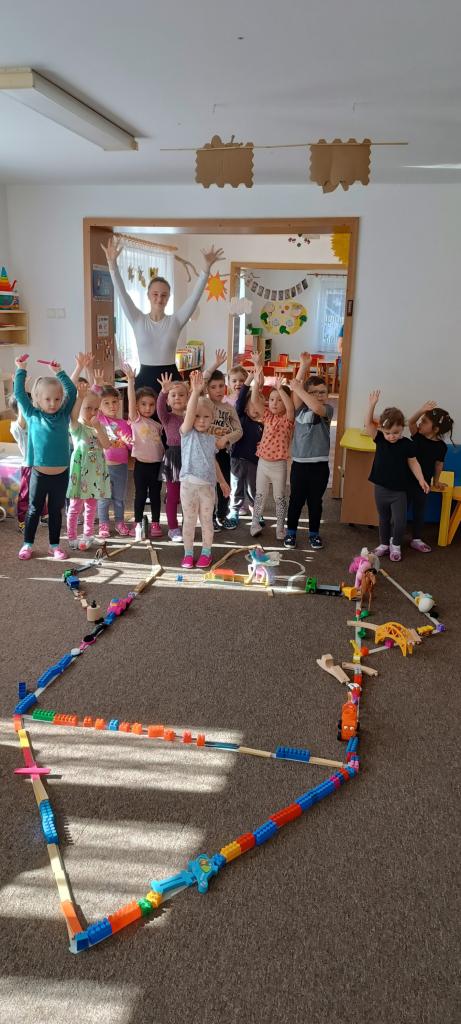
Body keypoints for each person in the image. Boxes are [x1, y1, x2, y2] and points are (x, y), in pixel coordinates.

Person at [101, 236, 224, 392]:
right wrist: (112, 265)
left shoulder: (176, 321)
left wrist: (206, 269)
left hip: (172, 381)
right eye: (155, 294)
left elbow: (194, 298)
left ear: (168, 297)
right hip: (144, 381)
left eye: (164, 295)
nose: (159, 298)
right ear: (148, 295)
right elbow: (122, 294)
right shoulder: (137, 319)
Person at [13, 354, 78, 560]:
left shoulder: (63, 414)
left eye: (57, 399)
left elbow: (72, 391)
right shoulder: (32, 414)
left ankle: (54, 545)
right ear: (37, 400)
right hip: (39, 474)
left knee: (56, 511)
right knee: (34, 510)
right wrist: (21, 369)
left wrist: (60, 372)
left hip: (61, 474)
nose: (53, 403)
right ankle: (27, 544)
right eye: (47, 399)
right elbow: (19, 393)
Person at [364, 391, 429, 562]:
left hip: (399, 491)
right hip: (380, 488)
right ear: (382, 429)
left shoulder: (407, 444)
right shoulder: (379, 439)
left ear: (402, 428)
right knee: (384, 518)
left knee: (399, 521)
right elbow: (368, 423)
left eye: (396, 432)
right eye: (388, 433)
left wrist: (421, 479)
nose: (392, 436)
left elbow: (413, 463)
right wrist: (372, 405)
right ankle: (384, 544)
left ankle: (396, 545)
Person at [179, 370, 230, 570]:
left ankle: (206, 552)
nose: (201, 420)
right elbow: (191, 412)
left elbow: (213, 462)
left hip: (208, 487)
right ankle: (188, 553)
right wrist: (195, 392)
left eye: (206, 417)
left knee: (207, 521)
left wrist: (222, 482)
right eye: (197, 416)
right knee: (190, 521)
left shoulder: (211, 440)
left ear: (212, 418)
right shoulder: (186, 433)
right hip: (188, 486)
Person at [284, 353, 334, 550]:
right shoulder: (299, 409)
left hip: (319, 466)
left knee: (315, 502)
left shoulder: (328, 409)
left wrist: (301, 389)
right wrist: (303, 366)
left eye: (323, 392)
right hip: (300, 465)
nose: (319, 395)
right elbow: (296, 393)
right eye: (314, 392)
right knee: (296, 501)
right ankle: (291, 532)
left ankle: (314, 533)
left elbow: (318, 409)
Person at [118, 364, 165, 541]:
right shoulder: (136, 419)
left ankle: (155, 523)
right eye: (143, 404)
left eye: (151, 404)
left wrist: (164, 392)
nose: (147, 408)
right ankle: (137, 523)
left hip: (157, 466)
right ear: (137, 406)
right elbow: (130, 400)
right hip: (141, 466)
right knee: (139, 495)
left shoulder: (158, 424)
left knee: (155, 496)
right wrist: (131, 380)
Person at [249, 375, 295, 541]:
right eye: (272, 399)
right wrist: (256, 381)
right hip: (263, 463)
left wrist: (280, 389)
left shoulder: (288, 419)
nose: (274, 403)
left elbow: (290, 408)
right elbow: (254, 400)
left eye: (279, 400)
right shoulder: (268, 416)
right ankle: (255, 523)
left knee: (279, 497)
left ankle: (280, 527)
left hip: (279, 466)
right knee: (260, 495)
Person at [67, 382, 111, 550]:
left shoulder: (99, 427)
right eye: (88, 408)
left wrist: (98, 427)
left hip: (95, 474)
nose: (93, 412)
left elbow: (107, 445)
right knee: (75, 507)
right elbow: (73, 416)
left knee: (91, 507)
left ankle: (88, 535)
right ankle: (72, 537)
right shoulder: (77, 426)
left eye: (96, 409)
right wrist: (79, 398)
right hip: (80, 474)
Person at [407, 400, 454, 552]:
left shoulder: (441, 447)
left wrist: (436, 481)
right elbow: (411, 422)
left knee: (420, 512)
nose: (420, 423)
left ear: (435, 429)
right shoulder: (417, 436)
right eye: (421, 420)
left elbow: (438, 465)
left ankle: (416, 538)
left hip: (423, 484)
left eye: (424, 422)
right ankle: (393, 537)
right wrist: (422, 410)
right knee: (400, 510)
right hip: (405, 481)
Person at [225, 360, 264, 529]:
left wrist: (258, 370)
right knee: (236, 487)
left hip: (255, 460)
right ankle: (234, 511)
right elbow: (241, 399)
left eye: (258, 406)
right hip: (237, 457)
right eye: (251, 405)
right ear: (245, 408)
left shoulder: (262, 423)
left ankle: (257, 512)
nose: (255, 409)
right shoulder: (239, 415)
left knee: (254, 488)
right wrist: (248, 380)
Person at [205, 369, 243, 527]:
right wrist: (213, 366)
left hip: (223, 453)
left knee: (224, 485)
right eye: (213, 387)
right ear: (207, 388)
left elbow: (239, 431)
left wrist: (226, 439)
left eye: (221, 386)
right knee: (208, 487)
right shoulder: (203, 404)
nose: (218, 390)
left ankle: (221, 515)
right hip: (205, 453)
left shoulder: (229, 408)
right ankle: (210, 517)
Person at [157, 372, 189, 542]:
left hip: (189, 457)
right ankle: (173, 528)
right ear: (168, 400)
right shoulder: (167, 418)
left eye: (181, 395)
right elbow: (159, 408)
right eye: (173, 395)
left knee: (188, 497)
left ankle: (187, 526)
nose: (177, 398)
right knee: (173, 496)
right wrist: (163, 392)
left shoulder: (191, 416)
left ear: (188, 398)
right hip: (173, 457)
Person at [96, 385, 131, 538]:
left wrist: (128, 442)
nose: (111, 406)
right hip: (103, 467)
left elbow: (131, 445)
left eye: (114, 402)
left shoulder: (124, 423)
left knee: (119, 498)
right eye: (106, 403)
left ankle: (119, 522)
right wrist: (97, 384)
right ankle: (103, 523)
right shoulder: (99, 420)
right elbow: (93, 397)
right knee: (103, 498)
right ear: (99, 406)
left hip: (121, 467)